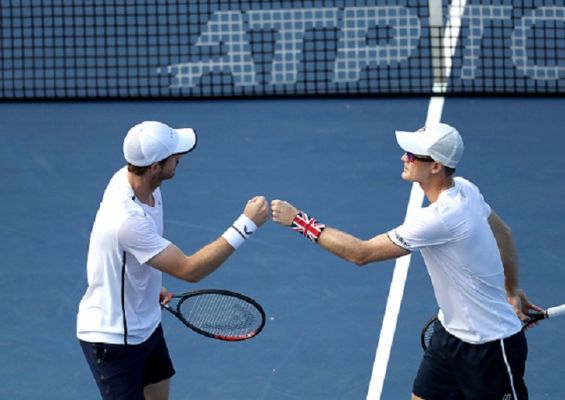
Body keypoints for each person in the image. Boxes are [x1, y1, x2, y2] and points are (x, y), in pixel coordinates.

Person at [271, 123, 541, 400]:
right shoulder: (466, 189)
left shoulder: (438, 219)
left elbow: (360, 253)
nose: (404, 158)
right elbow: (504, 234)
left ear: (435, 166)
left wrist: (299, 221)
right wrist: (512, 288)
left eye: (413, 154)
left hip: (490, 348)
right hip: (448, 336)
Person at [76, 120, 269, 400]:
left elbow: (129, 258)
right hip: (113, 338)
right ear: (155, 166)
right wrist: (246, 224)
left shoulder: (142, 183)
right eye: (174, 156)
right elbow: (190, 270)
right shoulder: (126, 219)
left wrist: (148, 287)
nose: (180, 158)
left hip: (147, 323)